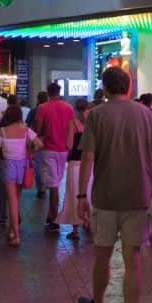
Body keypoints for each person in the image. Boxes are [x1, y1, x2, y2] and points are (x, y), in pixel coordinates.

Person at [76, 65, 152, 303]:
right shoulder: (146, 114)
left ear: (104, 88)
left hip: (106, 197)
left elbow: (88, 157)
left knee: (102, 255)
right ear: (129, 86)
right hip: (139, 195)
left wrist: (82, 194)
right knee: (133, 259)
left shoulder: (96, 115)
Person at [0, 103, 42, 247]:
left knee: (11, 200)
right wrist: (30, 153)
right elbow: (39, 144)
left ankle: (16, 235)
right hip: (22, 166)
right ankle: (12, 230)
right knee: (16, 200)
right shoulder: (25, 130)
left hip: (8, 166)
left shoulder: (3, 131)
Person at [35, 81, 75, 231]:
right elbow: (71, 128)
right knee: (56, 182)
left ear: (48, 92)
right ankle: (52, 216)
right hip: (63, 149)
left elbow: (39, 129)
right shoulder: (69, 108)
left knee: (53, 186)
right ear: (59, 92)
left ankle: (53, 217)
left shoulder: (42, 108)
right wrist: (68, 147)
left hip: (48, 149)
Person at [58, 98, 92, 240]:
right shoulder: (93, 123)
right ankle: (90, 223)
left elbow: (69, 144)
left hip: (75, 163)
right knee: (89, 194)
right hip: (91, 164)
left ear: (75, 109)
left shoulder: (73, 123)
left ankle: (76, 230)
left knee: (74, 195)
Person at [26, 90, 48, 197]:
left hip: (37, 139)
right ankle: (47, 185)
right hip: (50, 140)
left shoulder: (34, 111)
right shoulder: (50, 110)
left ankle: (41, 189)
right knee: (47, 164)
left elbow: (27, 125)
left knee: (38, 165)